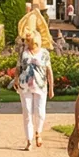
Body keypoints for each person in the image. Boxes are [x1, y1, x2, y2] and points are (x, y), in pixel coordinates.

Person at [13, 22, 54, 150]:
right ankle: (29, 141)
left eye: (29, 41)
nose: (27, 43)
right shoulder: (23, 52)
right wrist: (15, 79)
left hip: (41, 85)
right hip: (25, 85)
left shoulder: (44, 53)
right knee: (27, 113)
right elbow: (18, 67)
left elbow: (49, 71)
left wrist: (51, 88)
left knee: (40, 112)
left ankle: (38, 132)